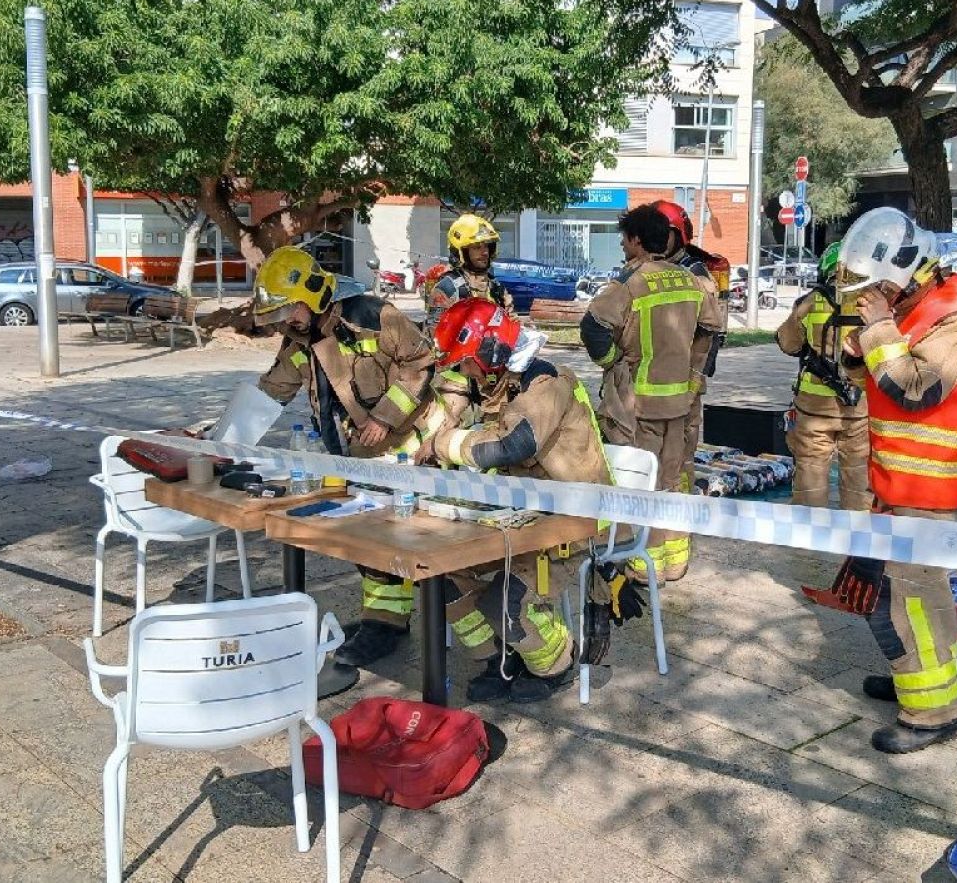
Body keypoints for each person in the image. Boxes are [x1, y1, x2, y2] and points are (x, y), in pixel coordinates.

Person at [802, 207, 957, 754]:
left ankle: (934, 711)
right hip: (898, 486)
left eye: (879, 286)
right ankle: (914, 677)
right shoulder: (919, 309)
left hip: (929, 492)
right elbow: (884, 379)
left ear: (911, 269)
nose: (872, 296)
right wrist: (859, 351)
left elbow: (915, 388)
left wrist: (879, 329)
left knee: (914, 600)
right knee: (897, 596)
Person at [253, 246, 439, 668]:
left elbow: (421, 363)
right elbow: (271, 392)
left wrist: (386, 417)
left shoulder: (374, 315)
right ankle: (385, 621)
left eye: (290, 309)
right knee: (367, 540)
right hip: (355, 454)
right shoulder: (300, 337)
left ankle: (391, 625)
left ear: (313, 293)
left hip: (409, 445)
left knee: (400, 539)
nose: (286, 320)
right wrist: (219, 439)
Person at [423, 298, 612, 702]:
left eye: (467, 362)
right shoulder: (500, 384)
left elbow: (511, 445)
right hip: (522, 515)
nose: (465, 372)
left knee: (504, 601)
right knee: (443, 579)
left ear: (492, 351)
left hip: (571, 523)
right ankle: (498, 660)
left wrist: (446, 443)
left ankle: (555, 666)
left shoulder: (545, 384)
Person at [579, 203, 724, 583]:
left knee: (634, 483)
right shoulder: (691, 281)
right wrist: (692, 376)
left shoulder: (629, 284)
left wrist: (613, 362)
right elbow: (711, 330)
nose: (623, 247)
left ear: (637, 241)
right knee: (672, 480)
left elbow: (592, 328)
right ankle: (674, 560)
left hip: (637, 407)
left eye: (624, 239)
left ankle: (642, 565)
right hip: (679, 404)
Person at [650, 200, 731, 578]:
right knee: (660, 469)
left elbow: (711, 335)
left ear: (677, 235)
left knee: (677, 467)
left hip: (681, 392)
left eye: (661, 233)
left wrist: (693, 382)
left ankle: (672, 556)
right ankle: (659, 550)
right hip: (654, 392)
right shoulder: (658, 270)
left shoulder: (696, 276)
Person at [775, 241, 871, 510]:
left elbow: (788, 343)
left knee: (811, 471)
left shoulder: (811, 303)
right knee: (858, 472)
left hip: (815, 407)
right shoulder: (872, 304)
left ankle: (810, 535)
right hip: (859, 407)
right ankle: (857, 531)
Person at [425, 214, 512, 332]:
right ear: (462, 252)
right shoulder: (447, 289)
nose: (485, 252)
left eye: (487, 246)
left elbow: (510, 325)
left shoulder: (496, 288)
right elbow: (435, 336)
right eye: (477, 247)